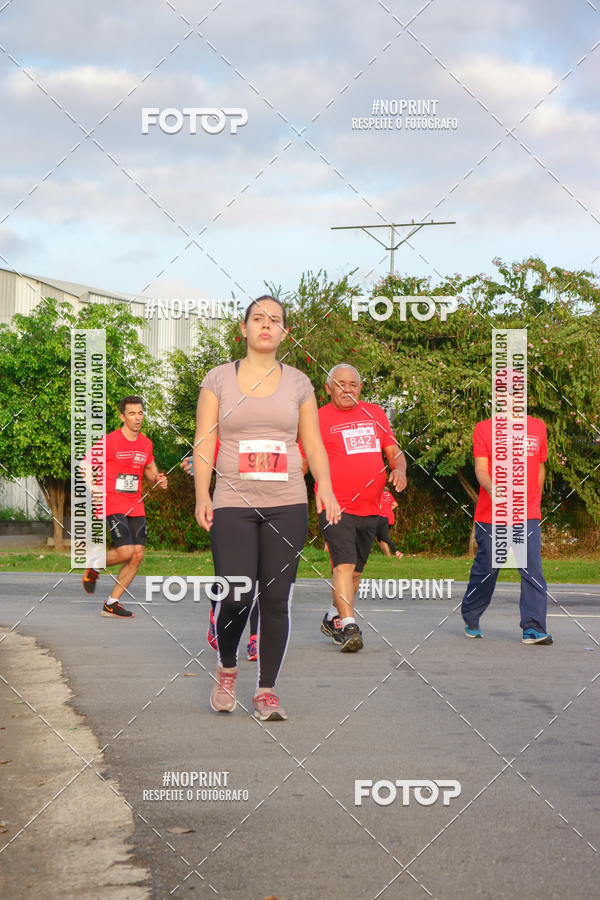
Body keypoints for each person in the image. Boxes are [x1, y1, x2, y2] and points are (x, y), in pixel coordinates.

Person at [193, 295, 340, 721]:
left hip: (287, 502)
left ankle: (267, 690)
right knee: (237, 596)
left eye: (275, 320)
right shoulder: (218, 379)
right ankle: (226, 667)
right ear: (243, 328)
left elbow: (312, 442)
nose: (266, 325)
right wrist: (203, 494)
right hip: (233, 502)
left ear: (285, 333)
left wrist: (324, 487)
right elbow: (205, 440)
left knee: (276, 598)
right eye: (257, 318)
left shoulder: (298, 383)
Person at [307, 364, 407, 652]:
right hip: (334, 505)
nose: (347, 388)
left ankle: (332, 616)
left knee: (355, 574)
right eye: (340, 384)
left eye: (353, 383)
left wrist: (399, 469)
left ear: (360, 388)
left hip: (371, 508)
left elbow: (394, 452)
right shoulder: (316, 419)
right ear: (328, 388)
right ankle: (350, 625)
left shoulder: (374, 413)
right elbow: (301, 461)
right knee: (343, 565)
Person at [461, 401, 552, 644]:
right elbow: (481, 468)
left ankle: (533, 627)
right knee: (488, 569)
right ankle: (470, 613)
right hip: (493, 513)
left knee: (531, 566)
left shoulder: (538, 427)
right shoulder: (484, 428)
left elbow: (540, 468)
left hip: (527, 512)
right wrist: (492, 489)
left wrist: (535, 501)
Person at [82, 396, 168, 617]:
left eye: (140, 413)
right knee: (125, 551)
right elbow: (85, 464)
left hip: (135, 504)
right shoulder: (110, 441)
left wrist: (159, 479)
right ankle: (95, 564)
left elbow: (150, 471)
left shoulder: (146, 443)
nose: (137, 418)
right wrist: (94, 490)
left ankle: (111, 603)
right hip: (112, 500)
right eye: (132, 413)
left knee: (137, 555)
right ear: (122, 416)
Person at [181, 452, 259, 661]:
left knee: (258, 578)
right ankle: (216, 614)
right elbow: (208, 452)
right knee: (226, 577)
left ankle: (254, 639)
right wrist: (196, 463)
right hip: (229, 509)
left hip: (265, 508)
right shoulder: (228, 427)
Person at [376, 489, 403, 558]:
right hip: (390, 517)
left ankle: (389, 555)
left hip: (381, 518)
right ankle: (389, 556)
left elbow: (379, 506)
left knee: (382, 537)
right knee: (381, 537)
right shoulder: (387, 493)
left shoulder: (377, 493)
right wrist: (387, 510)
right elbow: (395, 504)